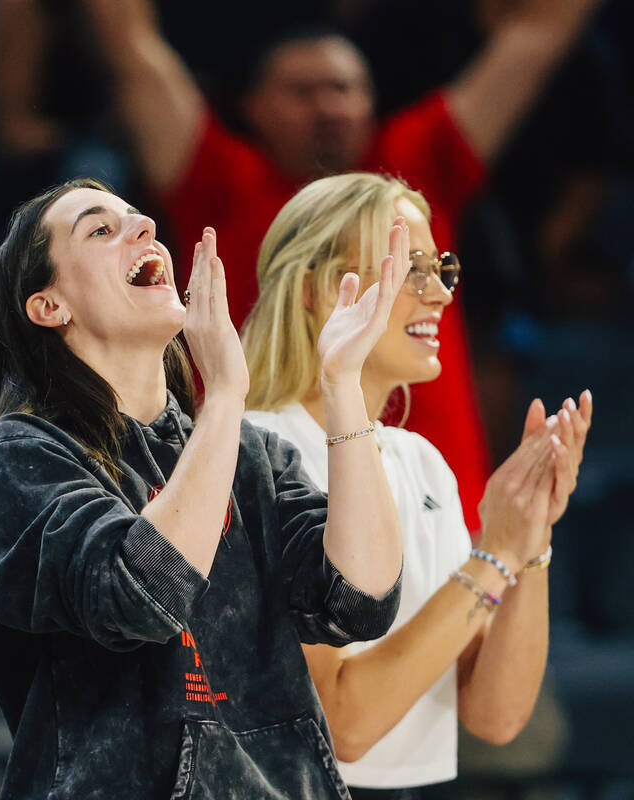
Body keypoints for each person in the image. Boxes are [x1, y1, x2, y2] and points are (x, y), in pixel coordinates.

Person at [0, 177, 408, 798]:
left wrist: (343, 386)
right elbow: (146, 594)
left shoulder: (252, 456)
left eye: (138, 219)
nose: (144, 229)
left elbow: (360, 601)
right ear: (50, 306)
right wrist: (226, 398)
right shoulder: (18, 455)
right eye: (100, 230)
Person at [83, 0, 605, 532]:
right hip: (261, 508)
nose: (329, 107)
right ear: (253, 106)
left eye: (344, 89)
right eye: (302, 92)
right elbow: (132, 51)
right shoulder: (219, 180)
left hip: (442, 505)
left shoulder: (414, 168)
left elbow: (534, 41)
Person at [241, 172, 591, 797]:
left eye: (442, 267)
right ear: (313, 290)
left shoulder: (422, 461)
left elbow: (494, 716)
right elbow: (341, 724)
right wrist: (492, 561)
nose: (438, 294)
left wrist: (528, 541)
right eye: (407, 268)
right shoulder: (257, 450)